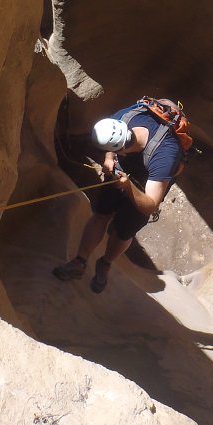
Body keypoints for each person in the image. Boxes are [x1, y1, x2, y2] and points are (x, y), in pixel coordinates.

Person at [53, 102, 184, 293]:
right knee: (101, 214)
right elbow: (111, 147)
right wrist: (108, 159)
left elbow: (150, 205)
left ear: (122, 150)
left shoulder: (165, 154)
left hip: (146, 184)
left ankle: (105, 263)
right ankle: (79, 262)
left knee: (124, 231)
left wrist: (127, 186)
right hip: (120, 171)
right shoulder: (121, 119)